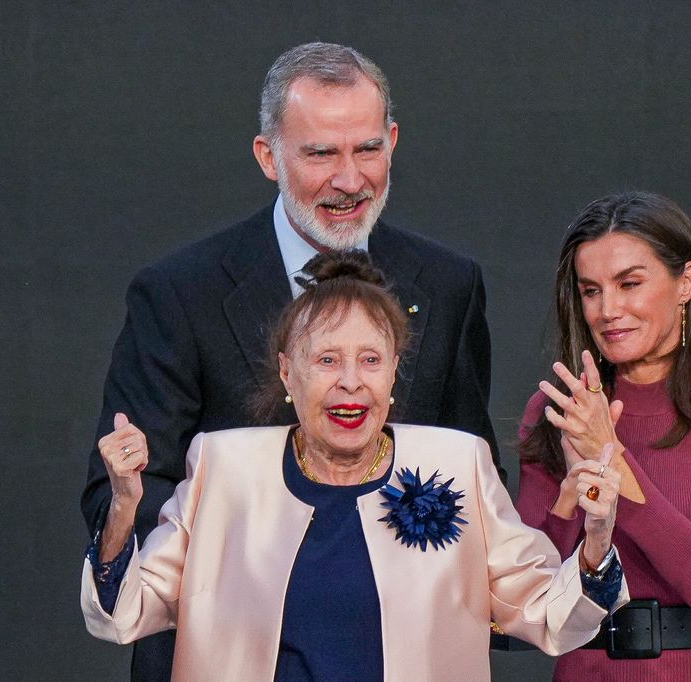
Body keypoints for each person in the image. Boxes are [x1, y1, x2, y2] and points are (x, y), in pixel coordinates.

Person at [80, 43, 500, 679]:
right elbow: (125, 493)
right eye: (321, 154)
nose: (350, 180)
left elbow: (468, 479)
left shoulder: (448, 284)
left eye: (367, 149)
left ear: (393, 141)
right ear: (268, 157)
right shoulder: (179, 294)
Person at [81, 251, 628, 681]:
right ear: (288, 374)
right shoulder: (222, 466)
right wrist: (124, 505)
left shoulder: (458, 463)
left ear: (393, 374)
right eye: (326, 360)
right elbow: (125, 613)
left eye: (370, 360)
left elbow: (547, 613)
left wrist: (598, 533)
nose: (350, 382)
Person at [515, 191, 691, 681]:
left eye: (629, 284)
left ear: (686, 282)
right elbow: (532, 587)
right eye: (591, 291)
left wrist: (609, 454)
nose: (608, 309)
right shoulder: (558, 411)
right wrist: (571, 496)